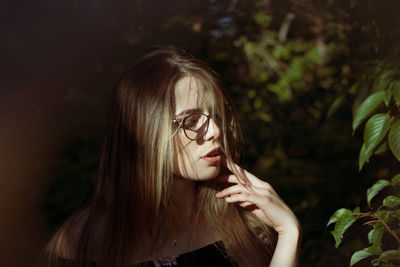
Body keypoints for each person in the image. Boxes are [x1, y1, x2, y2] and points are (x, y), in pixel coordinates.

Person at [41, 47, 301, 267]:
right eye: (192, 120)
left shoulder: (244, 223)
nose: (215, 131)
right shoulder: (84, 241)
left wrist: (288, 232)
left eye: (217, 116)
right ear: (144, 131)